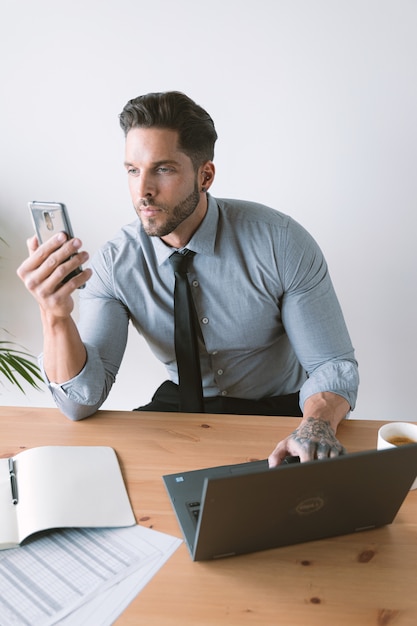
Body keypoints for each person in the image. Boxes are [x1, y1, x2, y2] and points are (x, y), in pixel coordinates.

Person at [17, 91, 359, 466]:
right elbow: (79, 403)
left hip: (276, 411)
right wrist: (55, 315)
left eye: (162, 169)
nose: (142, 190)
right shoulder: (116, 263)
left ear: (205, 175)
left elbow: (331, 365)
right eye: (132, 170)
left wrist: (316, 424)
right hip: (179, 407)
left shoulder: (280, 242)